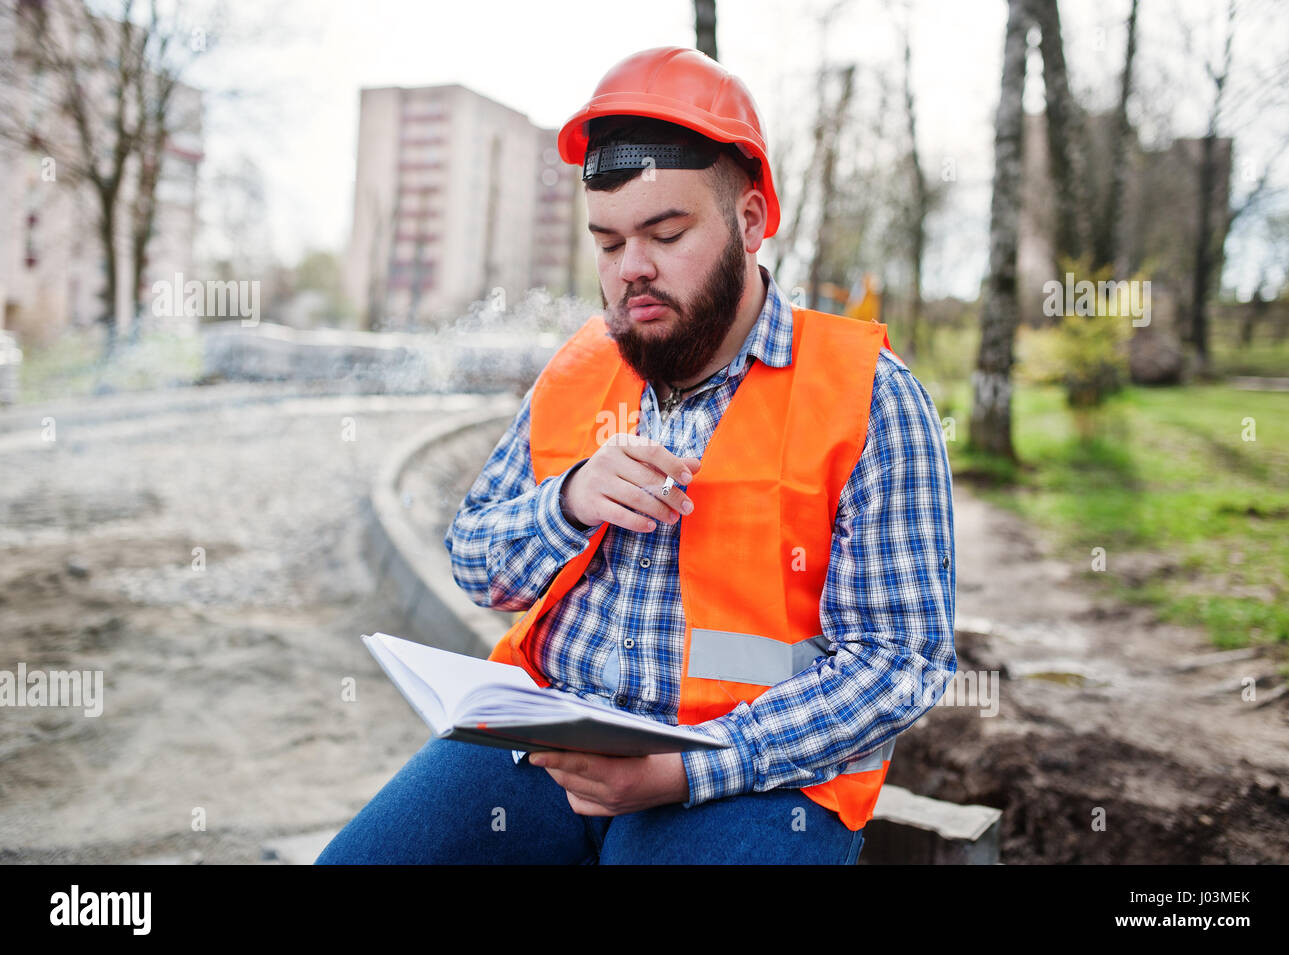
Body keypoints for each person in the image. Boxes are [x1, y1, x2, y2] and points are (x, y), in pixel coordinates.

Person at [316, 46, 956, 866]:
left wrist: (690, 769)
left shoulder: (868, 396)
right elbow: (478, 566)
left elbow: (900, 664)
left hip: (757, 778)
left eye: (665, 232)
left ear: (753, 221)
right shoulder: (582, 366)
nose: (632, 271)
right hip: (549, 741)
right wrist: (569, 499)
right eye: (609, 242)